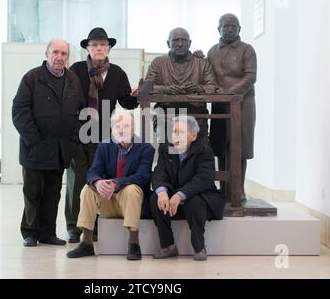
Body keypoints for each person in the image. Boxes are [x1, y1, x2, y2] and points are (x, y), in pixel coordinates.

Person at [65, 27, 139, 243]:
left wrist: (135, 95)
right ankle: (74, 227)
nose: (99, 48)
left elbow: (125, 101)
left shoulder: (117, 73)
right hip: (78, 133)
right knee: (77, 181)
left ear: (108, 48)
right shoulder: (76, 69)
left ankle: (94, 225)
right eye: (95, 45)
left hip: (105, 135)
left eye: (103, 45)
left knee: (99, 180)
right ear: (88, 48)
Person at [12, 39, 84, 247]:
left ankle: (47, 233)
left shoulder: (73, 80)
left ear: (68, 57)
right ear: (47, 53)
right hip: (34, 149)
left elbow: (79, 113)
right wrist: (34, 141)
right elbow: (19, 111)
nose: (59, 57)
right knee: (33, 192)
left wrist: (72, 140)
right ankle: (30, 232)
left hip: (60, 149)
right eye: (55, 52)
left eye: (64, 53)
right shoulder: (32, 78)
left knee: (53, 193)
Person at [66, 111, 155, 260]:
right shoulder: (104, 146)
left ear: (133, 129)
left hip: (132, 204)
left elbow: (143, 177)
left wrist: (116, 183)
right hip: (109, 202)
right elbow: (93, 172)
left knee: (132, 189)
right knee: (88, 189)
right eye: (117, 126)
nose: (121, 130)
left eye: (126, 126)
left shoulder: (146, 149)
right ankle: (86, 242)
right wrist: (98, 182)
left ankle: (133, 243)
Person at [150, 116, 225, 261]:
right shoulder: (166, 149)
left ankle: (199, 247)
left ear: (193, 136)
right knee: (155, 198)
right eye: (174, 132)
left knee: (194, 201)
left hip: (199, 197)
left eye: (181, 132)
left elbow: (203, 179)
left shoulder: (204, 151)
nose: (175, 136)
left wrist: (180, 195)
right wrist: (162, 192)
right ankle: (168, 246)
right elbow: (159, 174)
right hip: (173, 200)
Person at [207, 14, 257, 201]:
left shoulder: (247, 50)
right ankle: (223, 188)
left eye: (233, 26)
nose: (229, 29)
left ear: (239, 29)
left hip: (243, 104)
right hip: (220, 104)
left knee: (239, 146)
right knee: (220, 145)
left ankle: (238, 188)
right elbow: (208, 75)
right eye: (225, 26)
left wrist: (231, 93)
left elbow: (251, 76)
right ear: (218, 28)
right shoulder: (212, 51)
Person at [145, 27, 219, 143]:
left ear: (190, 43)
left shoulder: (202, 63)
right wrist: (165, 89)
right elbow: (147, 87)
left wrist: (199, 88)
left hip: (195, 114)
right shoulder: (158, 63)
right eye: (175, 40)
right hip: (166, 114)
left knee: (199, 151)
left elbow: (213, 87)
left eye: (183, 40)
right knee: (169, 153)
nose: (180, 44)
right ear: (168, 43)